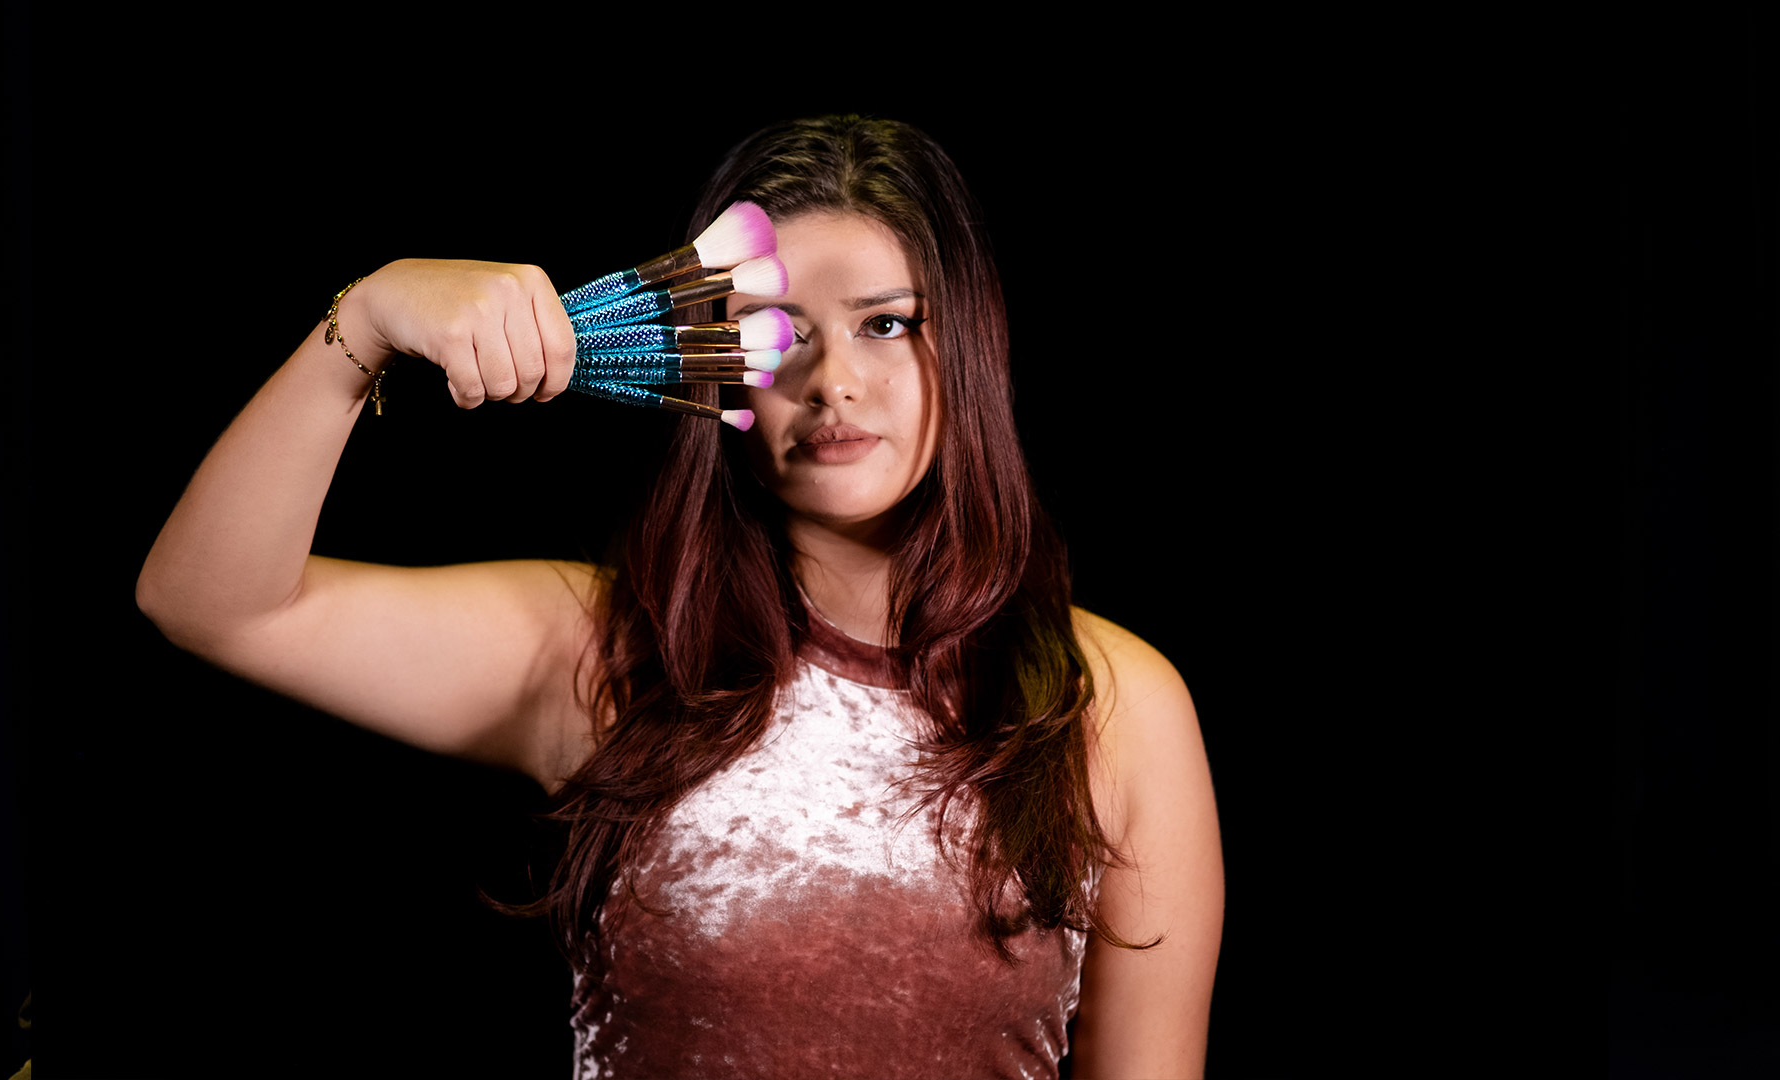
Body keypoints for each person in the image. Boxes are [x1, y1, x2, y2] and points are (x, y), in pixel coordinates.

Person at [137, 115, 1223, 1079]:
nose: (832, 380)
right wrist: (364, 323)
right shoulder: (609, 651)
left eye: (887, 323)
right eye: (782, 330)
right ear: (708, 360)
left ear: (970, 345)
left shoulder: (1116, 708)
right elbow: (214, 603)